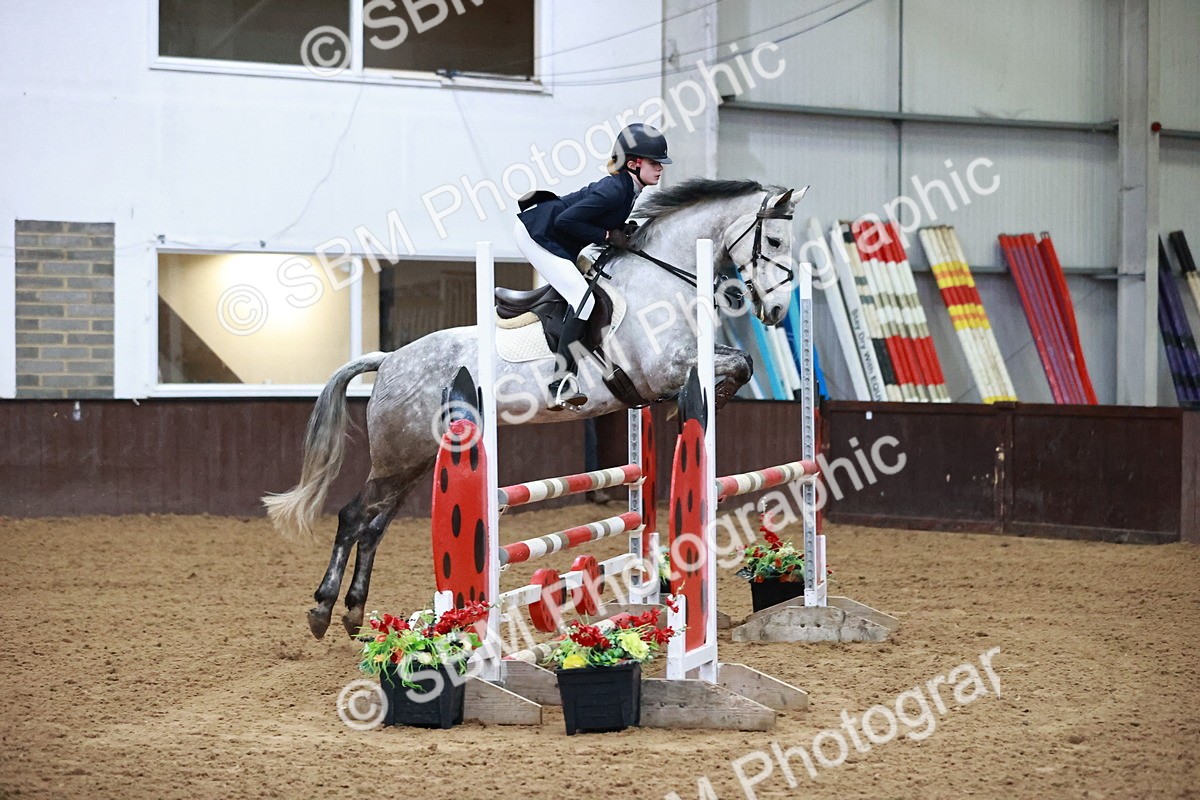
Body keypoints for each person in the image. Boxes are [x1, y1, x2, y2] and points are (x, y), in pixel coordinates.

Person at [513, 122, 671, 409]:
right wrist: (609, 236)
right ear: (634, 164)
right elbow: (565, 222)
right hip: (536, 233)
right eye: (654, 162)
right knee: (582, 301)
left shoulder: (628, 189)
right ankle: (560, 382)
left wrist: (620, 229)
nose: (660, 168)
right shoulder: (614, 190)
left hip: (552, 233)